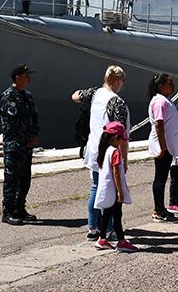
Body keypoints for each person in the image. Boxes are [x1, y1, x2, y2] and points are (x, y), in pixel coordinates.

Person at [71, 65, 131, 241]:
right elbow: (121, 135)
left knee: (96, 188)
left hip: (94, 148)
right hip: (110, 151)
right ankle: (110, 229)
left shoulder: (96, 94)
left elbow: (75, 96)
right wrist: (124, 159)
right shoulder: (116, 102)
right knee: (110, 191)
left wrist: (89, 96)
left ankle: (93, 227)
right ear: (118, 80)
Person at [0, 63, 40, 226]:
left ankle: (19, 208)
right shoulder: (8, 96)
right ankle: (8, 212)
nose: (29, 78)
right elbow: (13, 120)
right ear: (17, 77)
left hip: (27, 145)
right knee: (12, 179)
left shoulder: (27, 96)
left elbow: (34, 117)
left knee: (25, 179)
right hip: (14, 146)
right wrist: (25, 137)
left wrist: (34, 135)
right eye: (26, 75)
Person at [147, 73, 178, 222]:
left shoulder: (165, 100)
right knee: (160, 177)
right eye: (169, 83)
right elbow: (159, 123)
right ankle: (158, 210)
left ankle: (160, 208)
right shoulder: (160, 102)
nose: (172, 86)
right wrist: (162, 147)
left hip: (168, 146)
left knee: (162, 177)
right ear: (161, 86)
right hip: (163, 146)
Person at [93, 121, 138, 252]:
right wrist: (120, 192)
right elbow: (116, 173)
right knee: (117, 216)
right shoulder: (115, 152)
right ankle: (122, 241)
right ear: (115, 138)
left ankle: (102, 239)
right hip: (114, 189)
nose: (121, 142)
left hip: (107, 189)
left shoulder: (104, 150)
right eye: (121, 139)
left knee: (107, 214)